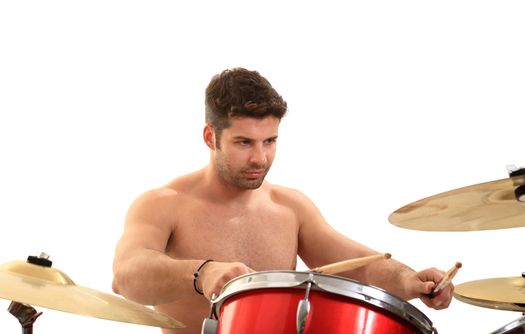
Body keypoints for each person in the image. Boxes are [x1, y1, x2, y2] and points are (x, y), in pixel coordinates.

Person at [112, 67, 454, 334]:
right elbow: (126, 276)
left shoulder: (290, 208)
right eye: (244, 142)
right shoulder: (164, 203)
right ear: (209, 136)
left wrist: (410, 280)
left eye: (270, 141)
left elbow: (361, 264)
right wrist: (202, 273)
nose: (260, 158)